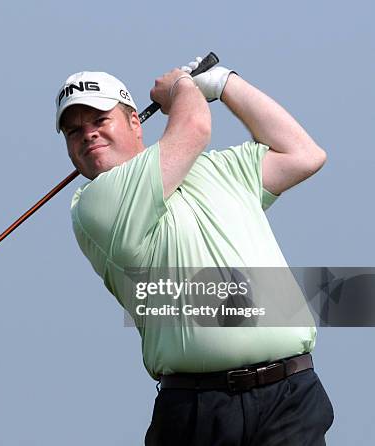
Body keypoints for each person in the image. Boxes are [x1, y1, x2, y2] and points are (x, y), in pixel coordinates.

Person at [55, 58, 334, 445]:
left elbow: (303, 154)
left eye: (100, 120)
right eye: (74, 131)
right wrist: (182, 87)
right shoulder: (96, 203)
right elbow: (195, 127)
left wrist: (223, 83)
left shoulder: (217, 169)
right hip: (197, 409)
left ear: (135, 121)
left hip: (290, 397)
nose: (87, 135)